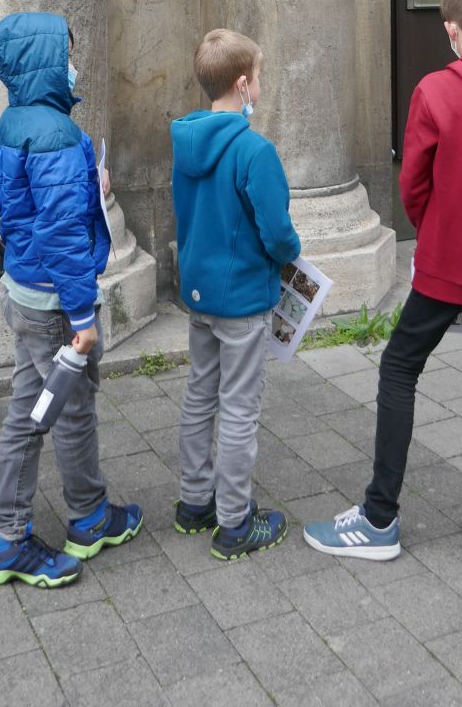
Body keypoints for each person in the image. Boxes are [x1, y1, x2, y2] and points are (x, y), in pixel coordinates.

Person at [304, 0, 462, 570]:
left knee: (398, 368)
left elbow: (414, 183)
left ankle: (380, 517)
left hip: (450, 259)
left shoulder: (435, 92)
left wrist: (436, 228)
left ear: (450, 30)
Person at [0, 12, 142, 590]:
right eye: (68, 53)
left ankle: (19, 528)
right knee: (66, 413)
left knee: (31, 410)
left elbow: (29, 215)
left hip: (24, 291)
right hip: (54, 305)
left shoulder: (14, 122)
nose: (74, 63)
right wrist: (81, 316)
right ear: (46, 61)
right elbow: (63, 235)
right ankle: (73, 521)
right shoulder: (53, 133)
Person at [171, 28, 301, 560]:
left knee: (200, 395)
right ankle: (234, 522)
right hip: (244, 296)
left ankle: (194, 502)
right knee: (240, 406)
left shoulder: (186, 138)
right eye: (260, 79)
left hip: (199, 293)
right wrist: (290, 252)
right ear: (243, 83)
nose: (261, 88)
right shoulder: (254, 150)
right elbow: (277, 232)